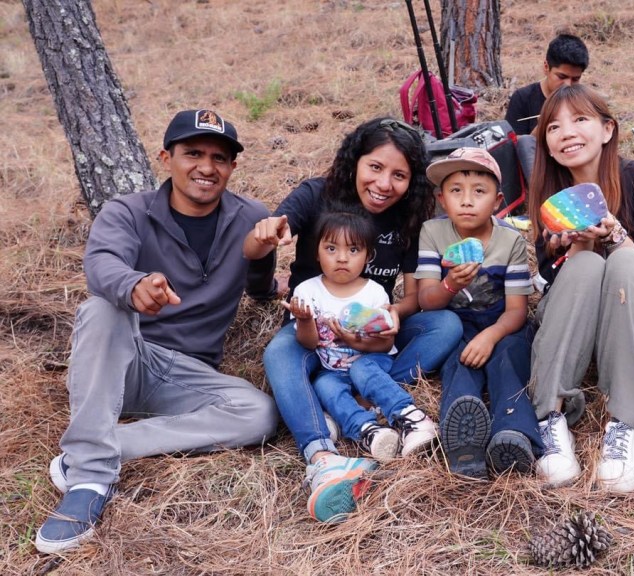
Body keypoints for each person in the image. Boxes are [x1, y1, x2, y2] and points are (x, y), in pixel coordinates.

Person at [35, 110, 279, 554]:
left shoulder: (250, 216)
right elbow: (102, 264)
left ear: (232, 167)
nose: (206, 167)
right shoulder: (127, 212)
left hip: (187, 375)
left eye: (219, 158)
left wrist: (269, 276)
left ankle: (99, 445)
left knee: (259, 414)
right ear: (166, 158)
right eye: (193, 154)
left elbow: (258, 281)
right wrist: (134, 286)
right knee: (102, 309)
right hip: (124, 360)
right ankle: (89, 477)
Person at [244, 117, 462, 522]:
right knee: (279, 354)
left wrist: (389, 317)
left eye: (399, 175)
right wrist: (266, 236)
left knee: (446, 325)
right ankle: (321, 453)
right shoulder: (317, 195)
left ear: (411, 181)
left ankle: (365, 398)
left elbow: (413, 298)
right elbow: (259, 244)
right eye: (375, 167)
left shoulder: (409, 217)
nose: (384, 184)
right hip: (315, 333)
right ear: (355, 161)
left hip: (374, 340)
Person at [527, 84, 634, 493]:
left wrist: (614, 236)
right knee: (585, 264)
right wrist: (576, 247)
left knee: (624, 260)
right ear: (547, 143)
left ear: (607, 129)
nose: (567, 132)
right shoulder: (552, 200)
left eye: (580, 119)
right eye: (554, 127)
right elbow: (553, 281)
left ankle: (627, 422)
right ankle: (550, 418)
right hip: (585, 324)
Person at [416, 148, 543, 479]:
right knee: (458, 365)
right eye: (456, 191)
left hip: (502, 324)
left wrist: (491, 335)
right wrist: (450, 285)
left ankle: (514, 433)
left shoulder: (510, 241)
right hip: (457, 324)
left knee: (508, 361)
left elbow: (517, 310)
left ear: (498, 201)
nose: (467, 201)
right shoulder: (433, 233)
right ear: (442, 199)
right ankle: (464, 443)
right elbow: (427, 301)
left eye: (479, 192)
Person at [287, 209, 437, 464]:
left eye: (353, 250)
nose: (342, 258)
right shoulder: (307, 291)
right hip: (332, 370)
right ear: (317, 252)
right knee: (324, 386)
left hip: (371, 361)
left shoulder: (374, 293)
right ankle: (368, 431)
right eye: (331, 248)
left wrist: (352, 340)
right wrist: (304, 320)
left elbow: (386, 343)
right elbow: (309, 344)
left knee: (361, 369)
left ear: (368, 256)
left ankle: (410, 416)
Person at [505, 33, 590, 136]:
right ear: (546, 67)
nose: (568, 84)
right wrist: (541, 128)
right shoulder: (523, 98)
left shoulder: (585, 101)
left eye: (575, 79)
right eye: (561, 77)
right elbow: (512, 143)